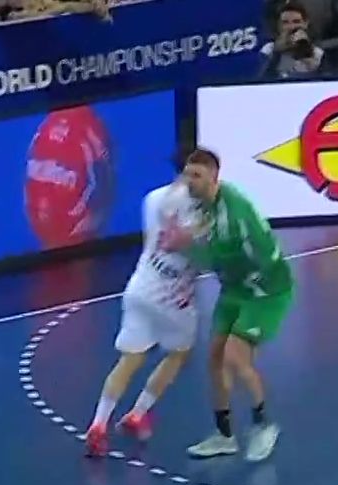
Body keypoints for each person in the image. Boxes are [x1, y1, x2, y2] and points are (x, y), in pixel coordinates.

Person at [176, 148, 293, 463]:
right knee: (215, 358)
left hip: (265, 291)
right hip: (234, 288)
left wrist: (187, 248)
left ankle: (264, 425)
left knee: (235, 356)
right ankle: (224, 436)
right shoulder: (202, 205)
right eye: (187, 174)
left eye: (196, 176)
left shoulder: (237, 214)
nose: (189, 181)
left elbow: (242, 259)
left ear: (214, 178)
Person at [85, 179, 207, 456]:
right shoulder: (204, 214)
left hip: (140, 287)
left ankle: (98, 424)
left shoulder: (153, 197)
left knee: (130, 360)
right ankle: (138, 414)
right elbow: (206, 256)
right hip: (175, 299)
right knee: (180, 354)